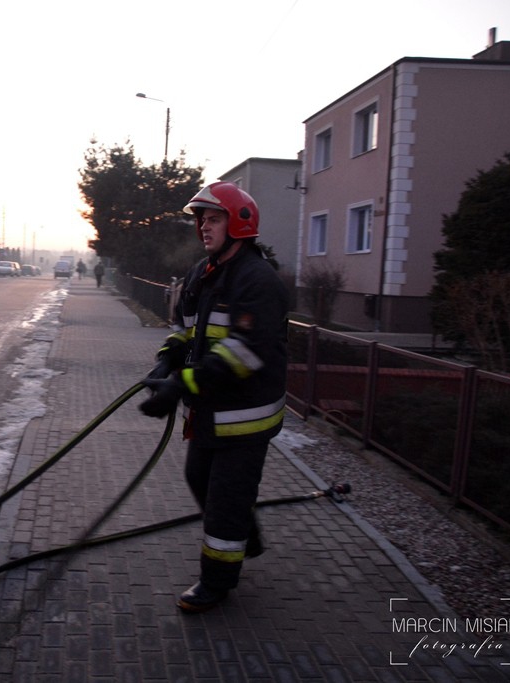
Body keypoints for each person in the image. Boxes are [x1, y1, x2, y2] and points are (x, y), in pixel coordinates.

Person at [139, 181, 288, 613]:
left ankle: (216, 583)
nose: (204, 225)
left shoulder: (258, 282)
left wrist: (180, 387)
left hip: (245, 419)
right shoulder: (202, 275)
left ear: (240, 224)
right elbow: (186, 332)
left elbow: (241, 353)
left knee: (224, 504)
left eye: (214, 218)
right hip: (209, 412)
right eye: (201, 218)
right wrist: (166, 362)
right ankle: (247, 535)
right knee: (198, 480)